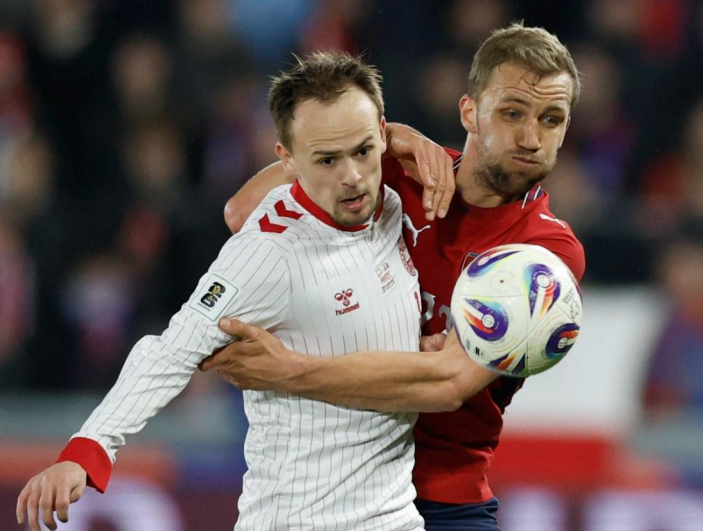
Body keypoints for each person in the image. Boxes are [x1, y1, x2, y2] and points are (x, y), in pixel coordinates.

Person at [16, 51, 448, 531]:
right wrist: (87, 450)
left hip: (396, 517)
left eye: (363, 151)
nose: (351, 176)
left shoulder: (391, 206)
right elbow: (172, 350)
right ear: (287, 159)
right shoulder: (269, 251)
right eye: (327, 160)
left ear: (382, 136)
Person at [204, 23, 586, 531]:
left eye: (551, 119)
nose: (531, 138)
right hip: (331, 485)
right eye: (512, 113)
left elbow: (448, 382)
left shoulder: (546, 255)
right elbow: (244, 212)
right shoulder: (394, 173)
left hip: (442, 498)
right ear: (469, 111)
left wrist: (288, 370)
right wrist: (383, 139)